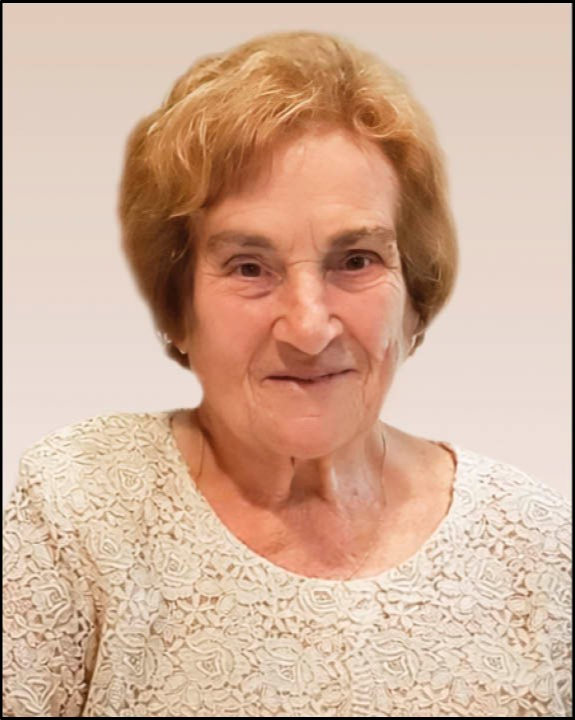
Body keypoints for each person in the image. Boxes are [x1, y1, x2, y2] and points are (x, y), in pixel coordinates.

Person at [2, 29, 571, 718]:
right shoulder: (80, 507)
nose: (308, 328)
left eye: (355, 260)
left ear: (413, 297)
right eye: (249, 267)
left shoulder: (535, 542)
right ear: (177, 306)